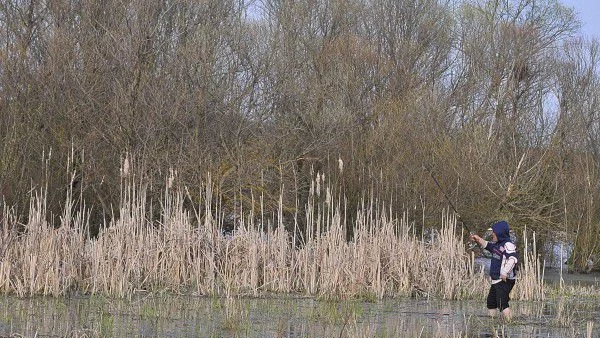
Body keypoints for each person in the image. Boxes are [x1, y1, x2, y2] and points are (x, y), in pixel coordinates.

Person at [470, 220, 518, 320]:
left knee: (501, 303)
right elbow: (488, 245)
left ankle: (510, 322)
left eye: (494, 232)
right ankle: (492, 322)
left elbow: (513, 259)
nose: (492, 234)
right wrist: (478, 239)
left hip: (504, 280)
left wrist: (504, 272)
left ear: (500, 233)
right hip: (496, 280)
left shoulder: (508, 244)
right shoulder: (497, 244)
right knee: (491, 303)